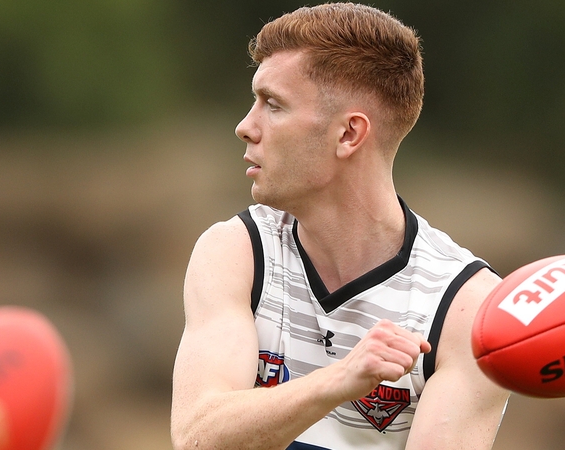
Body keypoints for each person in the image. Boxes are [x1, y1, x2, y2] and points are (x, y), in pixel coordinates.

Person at [170, 3, 510, 449]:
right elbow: (197, 436)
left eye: (273, 105)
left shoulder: (468, 308)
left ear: (349, 134)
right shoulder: (237, 251)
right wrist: (339, 380)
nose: (245, 127)